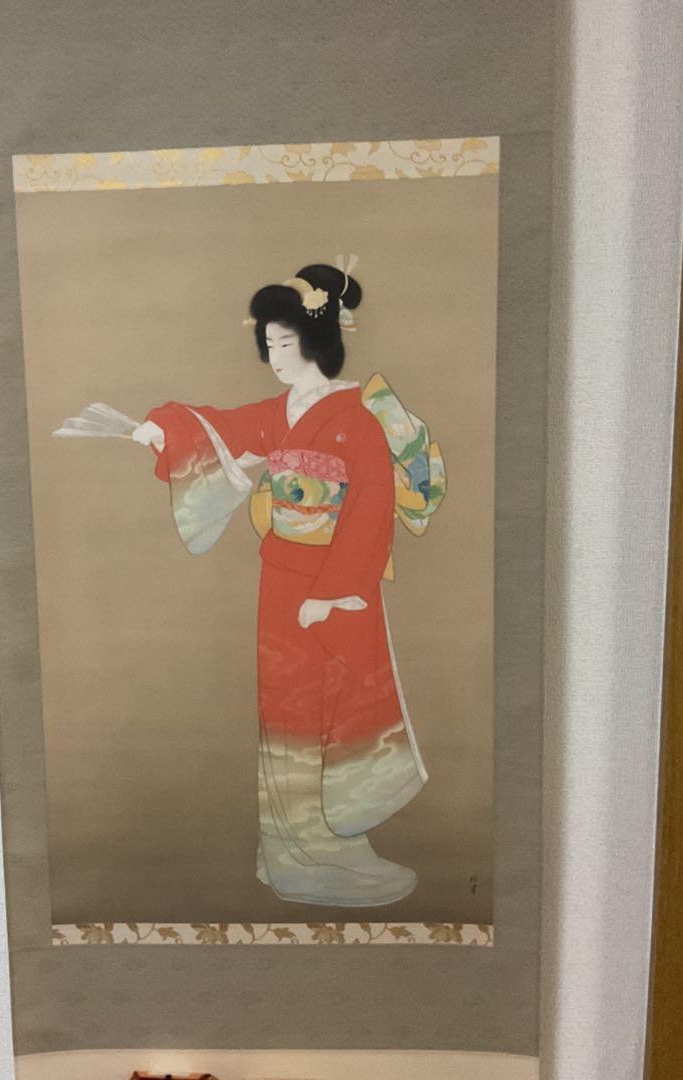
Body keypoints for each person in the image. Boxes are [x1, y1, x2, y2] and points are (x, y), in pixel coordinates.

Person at [124, 261, 442, 906]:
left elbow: (371, 507)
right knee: (284, 710)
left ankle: (329, 847)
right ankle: (286, 851)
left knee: (331, 710)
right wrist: (164, 426)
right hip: (282, 583)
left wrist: (331, 592)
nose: (275, 359)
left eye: (286, 344)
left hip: (337, 589)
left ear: (317, 341)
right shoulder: (280, 413)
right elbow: (225, 426)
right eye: (268, 345)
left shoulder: (356, 417)